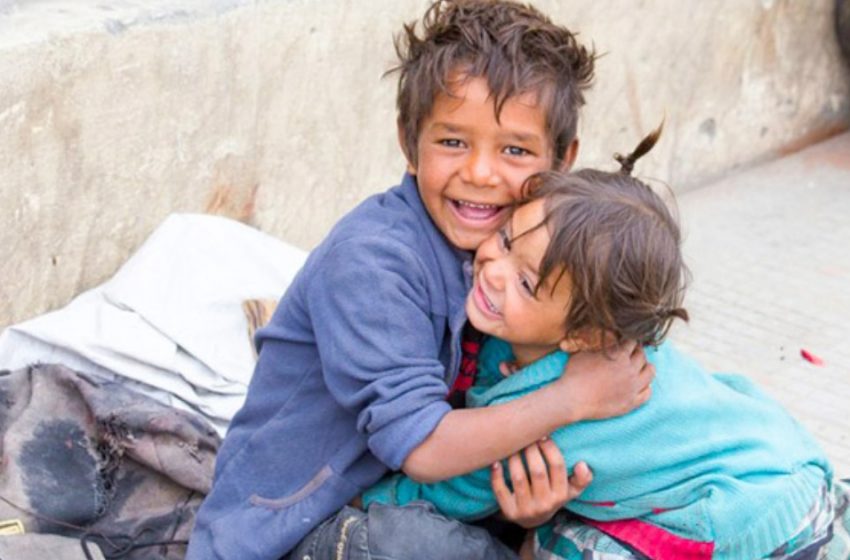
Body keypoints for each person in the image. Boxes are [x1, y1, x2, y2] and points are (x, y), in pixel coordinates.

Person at [186, 2, 656, 558]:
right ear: (410, 143)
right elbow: (426, 449)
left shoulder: (531, 264)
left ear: (562, 162)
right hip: (293, 531)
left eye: (514, 150)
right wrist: (572, 398)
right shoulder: (373, 262)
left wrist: (532, 505)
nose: (480, 173)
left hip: (422, 499)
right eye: (453, 142)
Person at [360, 128, 836, 559]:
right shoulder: (583, 340)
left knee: (557, 549)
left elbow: (453, 488)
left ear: (584, 335)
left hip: (750, 518)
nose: (493, 271)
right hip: (780, 452)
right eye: (505, 240)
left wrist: (365, 499)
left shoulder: (558, 412)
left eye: (526, 284)